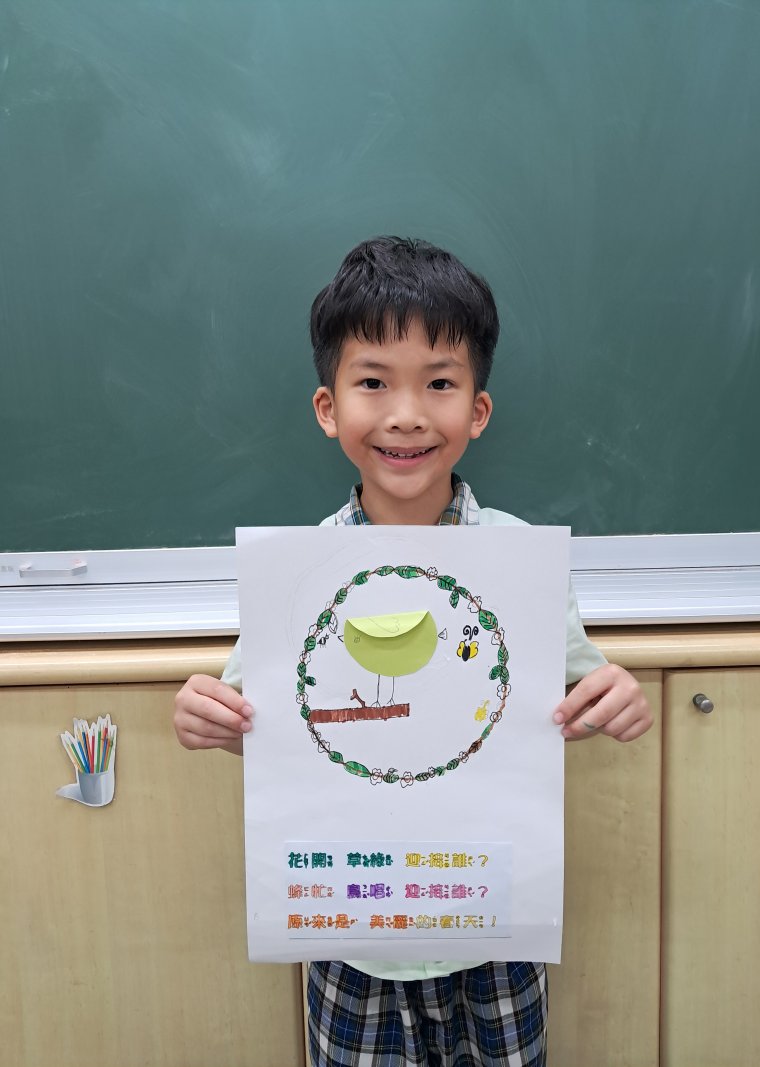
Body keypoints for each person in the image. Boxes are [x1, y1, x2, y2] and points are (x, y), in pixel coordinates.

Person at [174, 236, 653, 1066]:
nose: (405, 414)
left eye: (439, 383)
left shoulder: (520, 561)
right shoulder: (302, 573)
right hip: (353, 933)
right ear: (328, 408)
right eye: (372, 382)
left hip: (492, 922)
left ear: (478, 411)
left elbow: (584, 690)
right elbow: (256, 718)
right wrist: (204, 717)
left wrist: (617, 697)